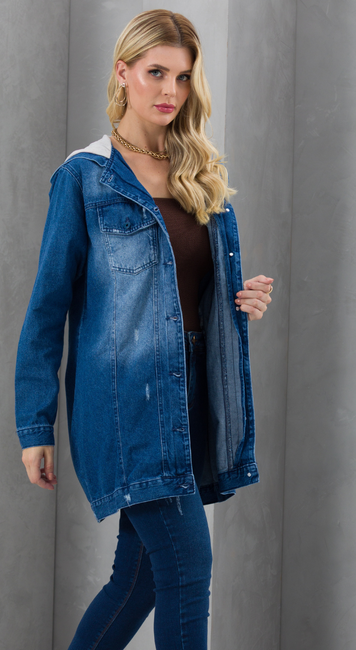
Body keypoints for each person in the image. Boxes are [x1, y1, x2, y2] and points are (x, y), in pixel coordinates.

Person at [15, 9, 273, 650]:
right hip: (129, 404)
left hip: (194, 397)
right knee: (188, 569)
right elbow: (47, 308)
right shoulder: (86, 177)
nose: (170, 91)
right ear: (123, 72)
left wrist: (239, 298)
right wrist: (35, 425)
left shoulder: (199, 172)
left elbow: (183, 288)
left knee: (137, 582)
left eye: (182, 77)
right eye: (156, 72)